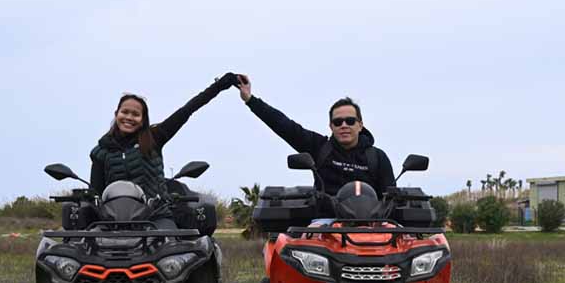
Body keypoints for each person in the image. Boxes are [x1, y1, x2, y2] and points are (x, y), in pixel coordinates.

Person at [90, 73, 237, 229]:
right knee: (88, 239)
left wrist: (219, 85)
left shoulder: (154, 137)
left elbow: (187, 110)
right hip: (113, 222)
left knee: (170, 241)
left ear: (143, 120)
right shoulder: (101, 151)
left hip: (156, 216)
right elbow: (95, 193)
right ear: (116, 114)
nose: (129, 117)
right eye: (125, 112)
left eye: (136, 114)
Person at [235, 74, 395, 198]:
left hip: (371, 224)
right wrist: (250, 99)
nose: (344, 125)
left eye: (350, 121)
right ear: (331, 126)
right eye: (338, 122)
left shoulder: (377, 157)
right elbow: (284, 125)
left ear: (360, 125)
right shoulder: (319, 148)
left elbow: (390, 199)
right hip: (324, 223)